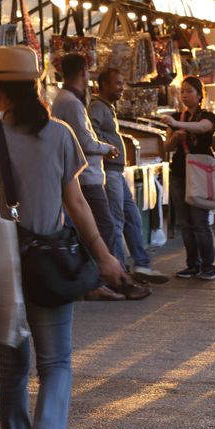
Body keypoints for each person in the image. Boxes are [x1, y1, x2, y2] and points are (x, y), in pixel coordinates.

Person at [0, 46, 126, 429]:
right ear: (36, 87)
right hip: (50, 263)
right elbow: (77, 204)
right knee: (57, 363)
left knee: (12, 363)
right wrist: (104, 256)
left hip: (0, 265)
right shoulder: (61, 134)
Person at [51, 54, 126, 301]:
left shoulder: (68, 99)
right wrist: (107, 148)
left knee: (96, 226)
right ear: (84, 72)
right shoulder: (71, 103)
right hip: (86, 176)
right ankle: (108, 279)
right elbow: (84, 140)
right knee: (104, 226)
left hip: (83, 174)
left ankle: (102, 278)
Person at [88, 68, 167, 287]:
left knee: (132, 217)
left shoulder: (107, 108)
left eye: (122, 83)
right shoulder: (97, 107)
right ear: (103, 85)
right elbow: (90, 132)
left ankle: (141, 263)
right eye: (117, 83)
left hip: (117, 172)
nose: (121, 87)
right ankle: (119, 272)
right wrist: (108, 146)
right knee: (116, 220)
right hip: (110, 171)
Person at [161, 76, 215, 280]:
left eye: (189, 91)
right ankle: (192, 264)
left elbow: (203, 128)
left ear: (199, 94)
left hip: (201, 174)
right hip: (179, 173)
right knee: (185, 223)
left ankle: (208, 265)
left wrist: (176, 124)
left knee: (200, 221)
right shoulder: (177, 117)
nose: (185, 95)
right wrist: (175, 137)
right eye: (182, 91)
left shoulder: (209, 116)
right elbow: (166, 148)